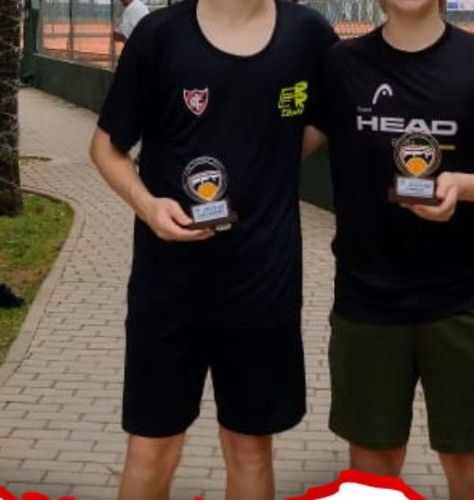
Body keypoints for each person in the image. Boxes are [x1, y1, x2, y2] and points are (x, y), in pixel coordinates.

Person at [87, 0, 336, 497]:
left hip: (263, 284)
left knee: (250, 449)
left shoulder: (308, 33)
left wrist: (271, 158)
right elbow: (105, 147)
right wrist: (147, 205)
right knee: (152, 448)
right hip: (168, 286)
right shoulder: (159, 35)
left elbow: (328, 117)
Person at [306, 0, 474, 497]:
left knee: (469, 465)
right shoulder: (342, 65)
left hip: (463, 302)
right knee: (372, 471)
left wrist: (462, 185)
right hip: (366, 302)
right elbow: (277, 145)